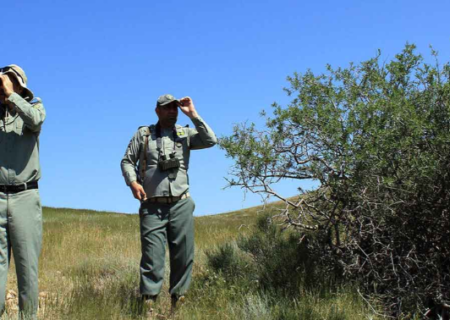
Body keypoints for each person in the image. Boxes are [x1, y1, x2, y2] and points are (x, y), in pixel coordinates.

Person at [121, 94, 216, 312]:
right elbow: (127, 161)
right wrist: (133, 182)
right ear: (157, 111)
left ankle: (178, 302)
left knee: (183, 254)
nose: (172, 111)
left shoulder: (185, 134)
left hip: (181, 203)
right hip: (152, 205)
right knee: (152, 255)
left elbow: (211, 140)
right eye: (167, 108)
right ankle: (149, 303)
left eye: (175, 108)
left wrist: (193, 114)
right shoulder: (144, 134)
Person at [0, 65, 46, 319]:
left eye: (10, 82)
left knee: (27, 268)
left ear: (20, 87)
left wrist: (11, 96)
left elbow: (36, 121)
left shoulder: (34, 107)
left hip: (25, 197)